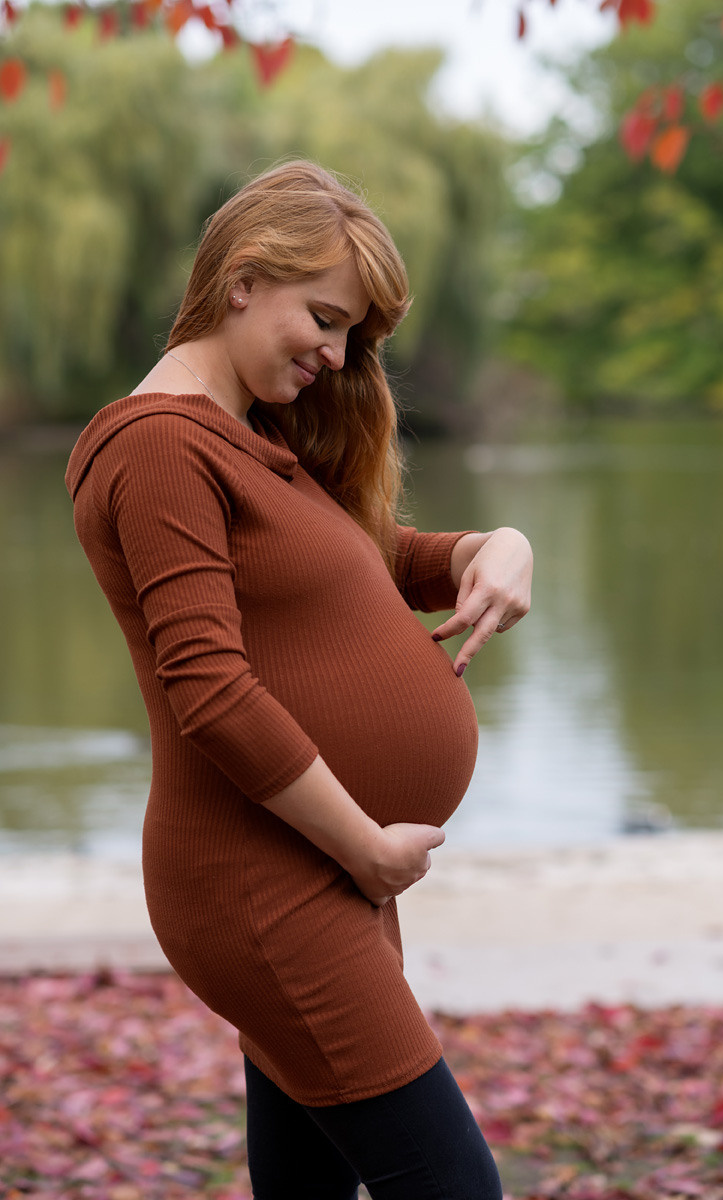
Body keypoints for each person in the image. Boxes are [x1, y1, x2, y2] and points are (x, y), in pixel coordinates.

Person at [66, 160, 532, 1200]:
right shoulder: (157, 446)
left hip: (315, 867)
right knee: (453, 1187)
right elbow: (208, 688)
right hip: (266, 884)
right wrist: (363, 846)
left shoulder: (247, 439)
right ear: (242, 280)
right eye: (324, 319)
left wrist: (493, 547)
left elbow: (366, 563)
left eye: (351, 335)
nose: (336, 355)